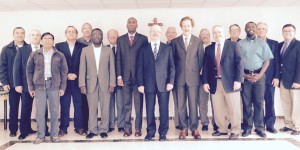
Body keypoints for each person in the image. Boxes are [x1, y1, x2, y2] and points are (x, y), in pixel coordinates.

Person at [203, 25, 243, 140]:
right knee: (218, 108)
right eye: (214, 33)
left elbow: (239, 63)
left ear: (224, 33)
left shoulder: (234, 45)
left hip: (231, 83)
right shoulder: (209, 48)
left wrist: (238, 80)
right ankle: (222, 129)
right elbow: (206, 67)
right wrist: (205, 82)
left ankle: (235, 130)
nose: (217, 35)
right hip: (215, 82)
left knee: (234, 108)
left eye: (219, 32)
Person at [27, 32, 68, 144]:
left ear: (53, 41)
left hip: (54, 85)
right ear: (41, 41)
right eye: (45, 38)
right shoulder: (35, 54)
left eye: (50, 39)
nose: (47, 40)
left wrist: (62, 87)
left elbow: (64, 72)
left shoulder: (59, 55)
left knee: (54, 111)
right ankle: (40, 136)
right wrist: (31, 87)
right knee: (40, 112)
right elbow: (29, 71)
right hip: (39, 86)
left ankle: (54, 135)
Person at [137, 24, 175, 141]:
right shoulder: (143, 49)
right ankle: (150, 132)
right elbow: (139, 68)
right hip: (148, 84)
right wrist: (140, 84)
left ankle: (163, 132)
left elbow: (172, 67)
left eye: (157, 31)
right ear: (150, 33)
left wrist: (171, 82)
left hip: (164, 84)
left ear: (160, 33)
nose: (155, 33)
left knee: (164, 109)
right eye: (153, 31)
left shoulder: (167, 48)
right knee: (149, 109)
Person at [13, 29, 51, 140]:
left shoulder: (46, 49)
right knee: (26, 108)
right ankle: (24, 131)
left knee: (43, 109)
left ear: (41, 37)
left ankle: (44, 130)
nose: (35, 37)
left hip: (42, 85)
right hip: (26, 85)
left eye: (38, 35)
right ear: (29, 37)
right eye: (33, 35)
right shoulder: (22, 50)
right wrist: (18, 84)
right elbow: (16, 68)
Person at [238, 22, 273, 138]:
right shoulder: (240, 44)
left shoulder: (262, 43)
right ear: (245, 29)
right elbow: (237, 61)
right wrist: (243, 75)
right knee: (246, 103)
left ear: (255, 29)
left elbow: (267, 61)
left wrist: (259, 75)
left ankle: (259, 128)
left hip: (259, 76)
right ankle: (247, 127)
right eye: (248, 27)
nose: (251, 28)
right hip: (245, 76)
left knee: (259, 102)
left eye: (253, 26)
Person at [171, 16, 204, 139]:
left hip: (193, 78)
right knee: (181, 105)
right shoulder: (175, 42)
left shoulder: (198, 41)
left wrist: (194, 72)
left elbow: (201, 60)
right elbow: (172, 62)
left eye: (188, 25)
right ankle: (184, 128)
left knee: (193, 104)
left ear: (192, 26)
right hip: (179, 79)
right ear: (181, 27)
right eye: (184, 26)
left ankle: (194, 128)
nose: (186, 28)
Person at [79, 28, 116, 139]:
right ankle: (93, 130)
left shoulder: (108, 50)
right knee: (92, 108)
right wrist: (82, 84)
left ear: (102, 36)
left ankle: (104, 129)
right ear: (91, 36)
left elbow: (112, 68)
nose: (96, 36)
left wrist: (112, 83)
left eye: (99, 34)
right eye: (94, 34)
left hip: (105, 83)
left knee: (105, 108)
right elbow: (82, 68)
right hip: (90, 84)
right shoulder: (85, 50)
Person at [116, 17, 148, 137]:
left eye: (133, 22)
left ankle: (138, 128)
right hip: (124, 78)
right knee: (126, 105)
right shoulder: (120, 39)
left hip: (138, 78)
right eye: (129, 22)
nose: (131, 24)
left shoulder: (143, 39)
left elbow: (145, 59)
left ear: (137, 25)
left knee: (139, 105)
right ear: (126, 25)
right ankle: (127, 128)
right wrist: (119, 76)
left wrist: (143, 79)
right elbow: (118, 58)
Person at [55, 26, 87, 137]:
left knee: (79, 105)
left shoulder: (83, 47)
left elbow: (85, 64)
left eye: (73, 32)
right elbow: (56, 64)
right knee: (64, 105)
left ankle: (79, 127)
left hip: (78, 81)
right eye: (69, 32)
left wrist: (76, 74)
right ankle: (63, 128)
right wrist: (66, 75)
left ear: (77, 34)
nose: (71, 33)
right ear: (65, 34)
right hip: (64, 82)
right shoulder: (58, 46)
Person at [0, 27, 27, 137]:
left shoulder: (28, 48)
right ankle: (13, 129)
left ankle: (25, 129)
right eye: (17, 33)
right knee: (14, 107)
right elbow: (2, 67)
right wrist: (4, 82)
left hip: (26, 84)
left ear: (24, 35)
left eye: (22, 33)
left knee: (26, 108)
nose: (20, 35)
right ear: (13, 34)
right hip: (12, 84)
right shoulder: (6, 49)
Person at [274, 24, 300, 135]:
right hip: (283, 81)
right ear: (282, 32)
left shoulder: (298, 45)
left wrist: (298, 80)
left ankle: (297, 126)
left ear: (294, 32)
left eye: (290, 31)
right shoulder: (280, 45)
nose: (287, 33)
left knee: (296, 104)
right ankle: (288, 124)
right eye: (285, 31)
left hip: (295, 81)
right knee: (286, 103)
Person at [256, 22, 279, 134]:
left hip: (270, 78)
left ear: (267, 30)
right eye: (259, 29)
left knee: (270, 102)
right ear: (256, 30)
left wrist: (276, 77)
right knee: (257, 103)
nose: (261, 30)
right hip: (255, 79)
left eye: (263, 28)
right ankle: (259, 125)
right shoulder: (251, 43)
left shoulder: (274, 44)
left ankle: (270, 125)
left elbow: (276, 62)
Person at [198, 28, 217, 131]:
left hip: (214, 78)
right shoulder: (198, 46)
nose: (204, 36)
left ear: (210, 35)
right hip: (201, 78)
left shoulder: (215, 46)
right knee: (202, 101)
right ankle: (204, 122)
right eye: (202, 35)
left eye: (206, 34)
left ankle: (216, 122)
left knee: (215, 101)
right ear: (199, 36)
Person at [106, 29, 125, 133]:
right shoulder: (104, 49)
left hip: (121, 80)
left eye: (115, 35)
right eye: (111, 35)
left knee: (120, 103)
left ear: (118, 36)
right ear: (107, 37)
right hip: (108, 81)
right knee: (110, 103)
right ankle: (111, 124)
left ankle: (121, 125)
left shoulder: (123, 48)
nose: (113, 37)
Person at [77, 22, 93, 132]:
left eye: (89, 28)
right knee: (82, 103)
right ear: (82, 30)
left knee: (92, 103)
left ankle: (92, 125)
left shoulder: (96, 41)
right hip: (82, 76)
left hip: (93, 77)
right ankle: (83, 126)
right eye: (84, 28)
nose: (87, 30)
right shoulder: (77, 42)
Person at [165, 26, 180, 129]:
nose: (171, 34)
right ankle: (164, 124)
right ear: (166, 35)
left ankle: (178, 123)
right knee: (164, 103)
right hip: (164, 79)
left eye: (173, 32)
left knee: (178, 102)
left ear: (176, 34)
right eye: (169, 32)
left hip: (178, 78)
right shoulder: (162, 46)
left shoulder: (179, 45)